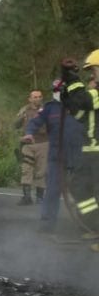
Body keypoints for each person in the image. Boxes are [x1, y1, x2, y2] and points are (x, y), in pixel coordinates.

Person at [23, 79, 83, 233]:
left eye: (61, 91)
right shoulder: (49, 108)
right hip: (56, 155)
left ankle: (87, 225)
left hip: (78, 154)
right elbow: (34, 122)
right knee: (52, 190)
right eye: (56, 91)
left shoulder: (77, 106)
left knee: (83, 190)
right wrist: (29, 133)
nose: (58, 94)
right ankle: (47, 223)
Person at [61, 54, 99, 242]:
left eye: (94, 70)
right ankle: (95, 226)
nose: (92, 76)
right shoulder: (93, 93)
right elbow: (78, 110)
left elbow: (84, 100)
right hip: (90, 152)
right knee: (78, 187)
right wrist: (66, 90)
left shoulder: (94, 94)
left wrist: (73, 80)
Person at [14, 90, 47, 205]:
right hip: (27, 144)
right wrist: (21, 118)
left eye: (40, 97)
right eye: (35, 97)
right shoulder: (24, 110)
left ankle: (40, 197)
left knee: (41, 171)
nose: (38, 99)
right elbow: (16, 125)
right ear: (30, 99)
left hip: (43, 143)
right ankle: (27, 196)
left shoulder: (46, 109)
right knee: (26, 170)